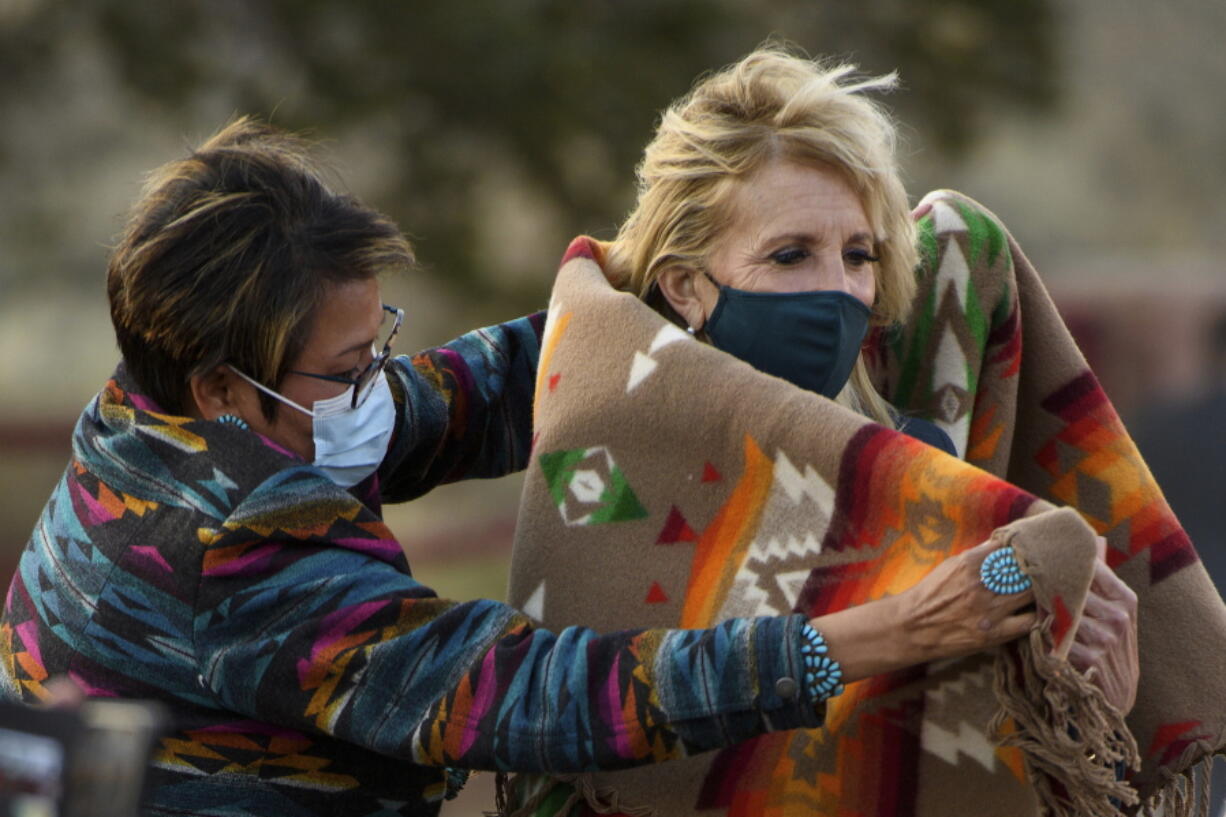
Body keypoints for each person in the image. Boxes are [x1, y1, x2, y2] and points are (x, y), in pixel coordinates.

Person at [0, 115, 1125, 817]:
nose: (375, 389)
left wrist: (635, 318)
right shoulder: (227, 544)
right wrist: (873, 638)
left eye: (853, 258)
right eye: (346, 368)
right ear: (220, 384)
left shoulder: (170, 403)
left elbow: (466, 397)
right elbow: (522, 695)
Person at [506, 48, 1142, 816]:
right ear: (684, 284)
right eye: (790, 254)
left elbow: (965, 757)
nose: (837, 290)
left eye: (857, 255)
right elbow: (570, 717)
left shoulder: (921, 468)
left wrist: (1099, 702)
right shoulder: (614, 455)